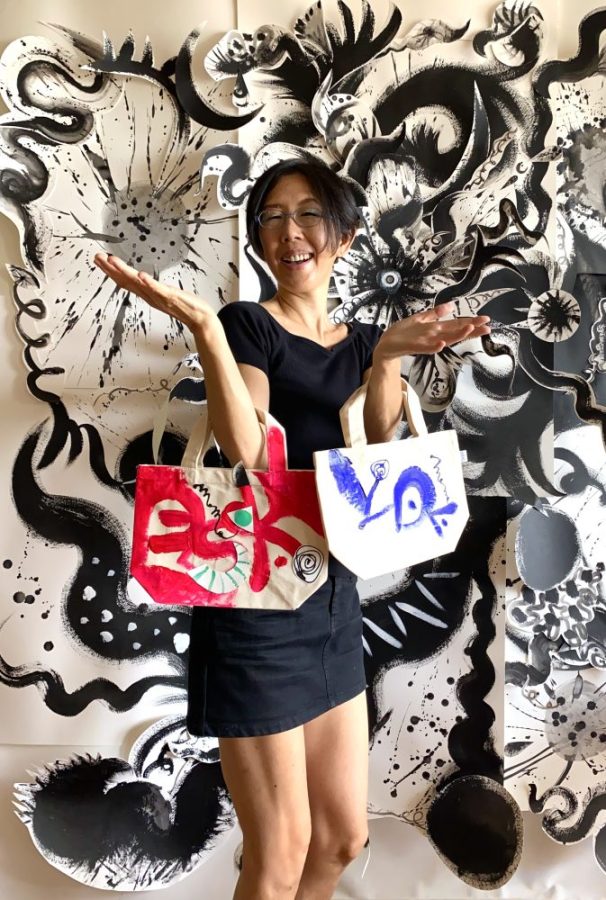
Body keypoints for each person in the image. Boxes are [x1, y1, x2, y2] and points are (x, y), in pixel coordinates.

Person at [94, 157, 490, 900]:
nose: (289, 232)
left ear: (344, 234)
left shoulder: (366, 340)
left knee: (340, 838)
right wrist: (208, 334)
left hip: (332, 601)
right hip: (255, 608)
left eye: (308, 214)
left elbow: (374, 454)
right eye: (272, 218)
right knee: (280, 853)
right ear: (258, 241)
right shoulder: (249, 326)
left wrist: (387, 359)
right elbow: (248, 451)